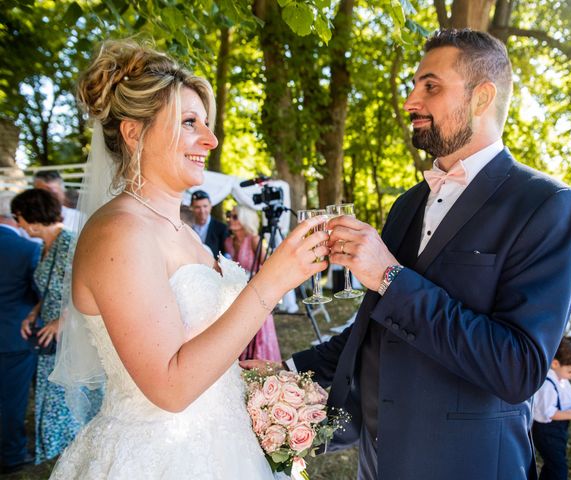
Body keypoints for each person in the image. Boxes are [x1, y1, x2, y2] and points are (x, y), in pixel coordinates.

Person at [245, 29, 571, 479]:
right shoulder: (407, 205)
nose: (410, 100)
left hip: (468, 465)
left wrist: (389, 276)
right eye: (414, 86)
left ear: (482, 98)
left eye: (431, 86)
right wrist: (285, 369)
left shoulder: (547, 204)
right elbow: (374, 329)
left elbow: (517, 367)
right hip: (379, 462)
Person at [48, 39, 328, 479]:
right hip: (160, 457)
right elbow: (171, 387)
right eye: (190, 123)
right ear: (134, 132)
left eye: (207, 123)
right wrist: (272, 282)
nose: (211, 139)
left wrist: (251, 383)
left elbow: (194, 344)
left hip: (226, 449)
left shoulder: (187, 235)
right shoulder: (120, 232)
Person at [11, 189, 102, 464]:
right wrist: (34, 312)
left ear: (33, 218)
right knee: (52, 398)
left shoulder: (70, 243)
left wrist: (61, 321)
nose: (18, 224)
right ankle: (61, 456)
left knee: (66, 401)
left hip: (72, 336)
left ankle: (75, 457)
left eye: (19, 218)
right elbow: (51, 288)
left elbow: (90, 288)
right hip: (50, 338)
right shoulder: (43, 247)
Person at [0, 192, 40, 475]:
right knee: (12, 400)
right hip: (14, 336)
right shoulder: (26, 249)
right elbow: (39, 291)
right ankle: (12, 455)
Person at [225, 204, 282, 362]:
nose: (230, 220)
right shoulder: (229, 242)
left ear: (245, 219)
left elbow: (269, 265)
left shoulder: (254, 240)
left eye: (235, 216)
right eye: (229, 215)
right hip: (236, 294)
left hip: (257, 293)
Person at [532, 337, 571, 480]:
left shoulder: (560, 377)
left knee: (553, 463)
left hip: (557, 432)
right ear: (555, 363)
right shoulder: (547, 384)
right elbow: (548, 413)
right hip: (547, 432)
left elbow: (560, 396)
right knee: (559, 468)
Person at [190, 189, 228, 259]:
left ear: (210, 206)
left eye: (205, 206)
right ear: (191, 208)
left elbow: (226, 255)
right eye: (197, 207)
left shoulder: (222, 228)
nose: (202, 211)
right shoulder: (188, 227)